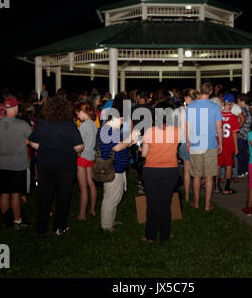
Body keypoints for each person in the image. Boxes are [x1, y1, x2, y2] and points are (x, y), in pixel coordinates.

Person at [29, 97, 84, 236]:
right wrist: (67, 149)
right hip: (65, 166)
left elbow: (33, 143)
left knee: (44, 197)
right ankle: (59, 227)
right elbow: (78, 147)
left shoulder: (42, 124)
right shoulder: (70, 125)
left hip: (45, 164)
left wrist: (46, 147)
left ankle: (41, 229)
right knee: (63, 197)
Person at [141, 101, 180, 242]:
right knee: (165, 203)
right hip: (171, 170)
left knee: (151, 203)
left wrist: (142, 148)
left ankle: (150, 235)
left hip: (152, 170)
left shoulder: (150, 131)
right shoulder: (177, 131)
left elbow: (144, 154)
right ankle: (165, 234)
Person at [186, 80, 223, 211]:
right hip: (211, 144)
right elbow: (219, 128)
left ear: (199, 90)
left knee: (196, 175)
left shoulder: (190, 106)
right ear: (211, 92)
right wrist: (221, 143)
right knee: (209, 176)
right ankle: (207, 205)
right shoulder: (215, 107)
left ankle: (196, 202)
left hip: (196, 143)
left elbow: (188, 126)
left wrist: (188, 141)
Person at [97, 98, 133, 233]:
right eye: (123, 119)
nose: (124, 121)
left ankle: (110, 221)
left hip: (118, 168)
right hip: (113, 169)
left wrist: (129, 142)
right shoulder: (108, 130)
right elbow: (117, 148)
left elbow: (118, 145)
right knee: (111, 198)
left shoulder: (111, 129)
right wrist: (130, 138)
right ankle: (106, 225)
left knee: (115, 197)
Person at [0, 97, 32, 229]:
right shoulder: (22, 124)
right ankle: (17, 220)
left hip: (3, 163)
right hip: (18, 164)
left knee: (4, 193)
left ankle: (6, 219)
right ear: (15, 107)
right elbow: (32, 138)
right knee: (15, 193)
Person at [75, 103, 98, 221]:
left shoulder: (84, 126)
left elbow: (79, 143)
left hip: (82, 158)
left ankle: (82, 214)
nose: (78, 116)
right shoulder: (94, 124)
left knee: (83, 187)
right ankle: (92, 209)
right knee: (91, 184)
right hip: (91, 157)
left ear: (82, 112)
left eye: (78, 113)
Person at [216, 94, 240, 195]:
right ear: (232, 104)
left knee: (217, 165)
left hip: (219, 143)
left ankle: (216, 187)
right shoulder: (233, 117)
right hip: (229, 144)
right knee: (228, 166)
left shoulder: (218, 115)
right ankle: (226, 188)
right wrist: (236, 146)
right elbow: (234, 133)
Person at [178, 88, 197, 202]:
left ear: (187, 98)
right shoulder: (200, 109)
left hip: (185, 141)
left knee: (186, 171)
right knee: (196, 172)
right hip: (198, 143)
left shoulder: (183, 110)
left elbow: (181, 128)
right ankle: (196, 195)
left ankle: (186, 195)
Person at [236, 94, 252, 180]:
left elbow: (242, 120)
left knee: (240, 154)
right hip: (247, 134)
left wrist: (236, 127)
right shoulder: (250, 109)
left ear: (242, 101)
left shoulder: (242, 110)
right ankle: (246, 170)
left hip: (241, 134)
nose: (237, 103)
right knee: (246, 154)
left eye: (238, 101)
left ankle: (241, 171)